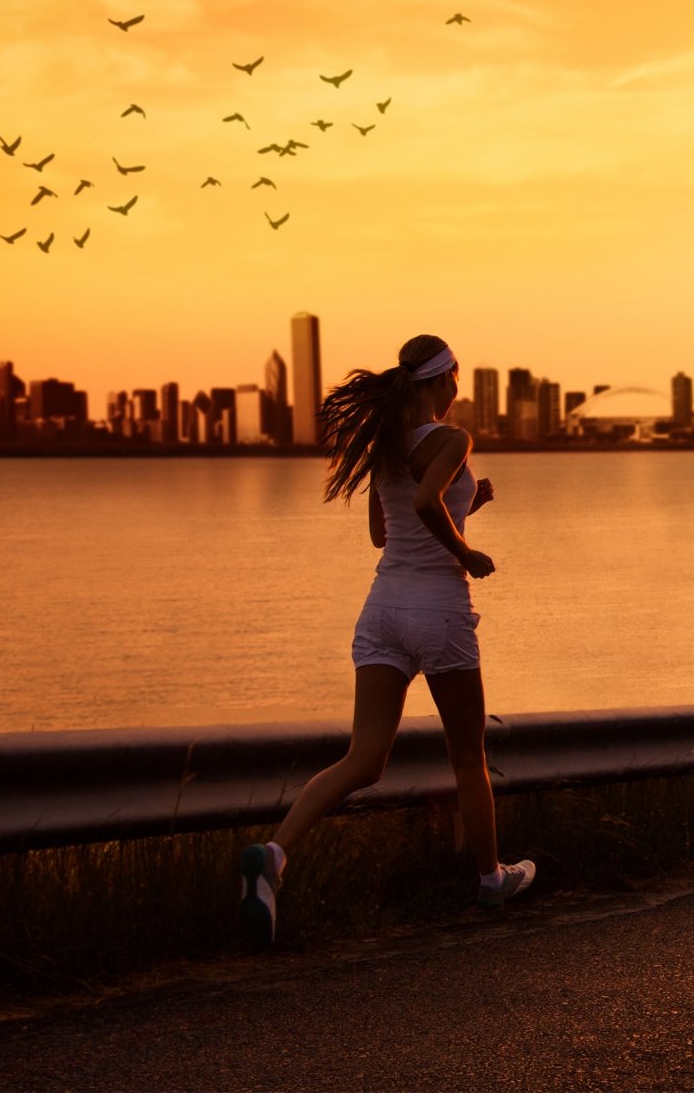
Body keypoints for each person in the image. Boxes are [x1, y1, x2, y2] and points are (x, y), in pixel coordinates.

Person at [239, 334, 534, 948]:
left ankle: (274, 854)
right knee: (466, 758)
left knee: (363, 759)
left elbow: (385, 531)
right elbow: (427, 503)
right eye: (458, 377)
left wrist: (466, 506)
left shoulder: (386, 446)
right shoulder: (451, 441)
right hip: (438, 610)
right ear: (443, 378)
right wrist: (466, 551)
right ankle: (489, 879)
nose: (459, 390)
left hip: (382, 612)